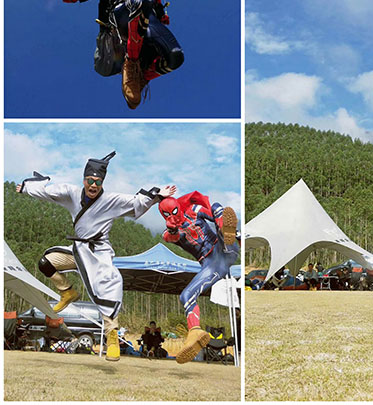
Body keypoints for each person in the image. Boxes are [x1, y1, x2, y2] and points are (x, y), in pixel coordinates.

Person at [16, 151, 174, 362]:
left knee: (109, 286)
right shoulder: (71, 193)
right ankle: (67, 292)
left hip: (98, 253)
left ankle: (112, 338)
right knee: (46, 262)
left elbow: (136, 202)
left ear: (101, 183)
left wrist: (157, 195)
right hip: (78, 251)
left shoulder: (111, 200)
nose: (93, 185)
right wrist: (27, 189)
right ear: (84, 180)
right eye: (90, 181)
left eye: (97, 182)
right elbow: (48, 192)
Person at [158, 190, 239, 364]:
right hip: (213, 264)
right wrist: (172, 228)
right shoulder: (168, 232)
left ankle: (228, 232)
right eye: (167, 214)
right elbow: (172, 237)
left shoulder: (194, 210)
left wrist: (222, 223)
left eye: (174, 211)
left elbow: (210, 210)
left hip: (222, 247)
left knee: (217, 207)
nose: (173, 216)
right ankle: (195, 331)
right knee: (186, 296)